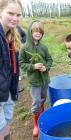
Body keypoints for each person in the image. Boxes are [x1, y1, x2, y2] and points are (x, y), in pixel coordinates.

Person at [19, 20, 53, 137]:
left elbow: (49, 60)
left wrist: (46, 67)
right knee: (36, 102)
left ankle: (41, 120)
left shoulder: (44, 47)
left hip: (44, 80)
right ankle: (36, 124)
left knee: (42, 99)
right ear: (30, 32)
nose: (38, 34)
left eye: (40, 32)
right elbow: (21, 63)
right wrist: (33, 66)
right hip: (34, 81)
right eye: (35, 31)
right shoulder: (25, 48)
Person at [0, 0, 22, 139]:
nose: (15, 18)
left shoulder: (12, 36)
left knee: (6, 121)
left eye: (18, 15)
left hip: (7, 89)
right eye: (10, 13)